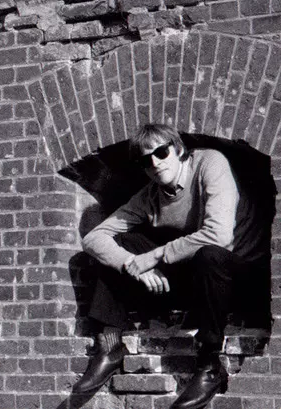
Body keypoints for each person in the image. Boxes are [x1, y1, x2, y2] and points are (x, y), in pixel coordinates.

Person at [75, 123, 268, 409]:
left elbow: (219, 235)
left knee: (210, 254)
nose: (154, 163)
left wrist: (153, 257)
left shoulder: (210, 163)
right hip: (200, 280)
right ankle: (111, 345)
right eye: (145, 160)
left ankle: (209, 365)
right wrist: (132, 264)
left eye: (161, 153)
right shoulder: (150, 195)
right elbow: (94, 238)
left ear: (178, 150)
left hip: (242, 276)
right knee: (122, 244)